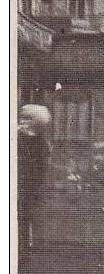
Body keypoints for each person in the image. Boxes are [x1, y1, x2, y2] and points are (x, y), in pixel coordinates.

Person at [17, 104, 52, 249]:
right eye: (22, 118)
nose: (23, 122)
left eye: (27, 119)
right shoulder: (20, 138)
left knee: (24, 215)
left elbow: (40, 169)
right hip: (25, 184)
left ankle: (24, 245)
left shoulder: (38, 143)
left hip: (28, 185)